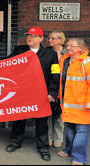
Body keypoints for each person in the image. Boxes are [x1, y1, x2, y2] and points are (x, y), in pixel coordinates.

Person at [5, 27, 60, 161]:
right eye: (28, 35)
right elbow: (6, 65)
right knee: (19, 117)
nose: (30, 38)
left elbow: (55, 73)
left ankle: (43, 148)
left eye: (34, 36)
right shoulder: (19, 50)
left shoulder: (50, 54)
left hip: (42, 94)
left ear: (41, 39)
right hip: (22, 92)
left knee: (41, 121)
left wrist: (53, 91)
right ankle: (15, 142)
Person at [57, 38, 90, 165]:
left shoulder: (88, 62)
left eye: (72, 46)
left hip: (82, 105)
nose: (68, 47)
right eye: (67, 45)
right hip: (67, 103)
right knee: (69, 129)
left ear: (81, 48)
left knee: (81, 131)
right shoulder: (63, 60)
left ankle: (78, 158)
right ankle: (68, 149)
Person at [47, 31, 66, 148]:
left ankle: (58, 138)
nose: (49, 40)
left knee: (60, 115)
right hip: (50, 86)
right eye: (49, 38)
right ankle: (48, 137)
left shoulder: (67, 53)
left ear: (60, 40)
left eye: (52, 38)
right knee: (48, 114)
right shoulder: (47, 52)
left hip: (64, 87)